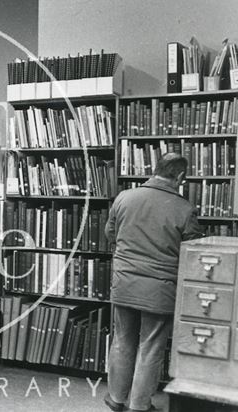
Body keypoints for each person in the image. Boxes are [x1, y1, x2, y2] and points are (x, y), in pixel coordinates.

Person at [104, 153, 204, 412]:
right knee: (150, 346)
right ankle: (138, 406)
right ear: (180, 177)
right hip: (160, 289)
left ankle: (116, 399)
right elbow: (192, 251)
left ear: (155, 169)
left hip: (124, 282)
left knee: (122, 339)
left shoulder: (125, 197)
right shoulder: (184, 208)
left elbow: (110, 233)